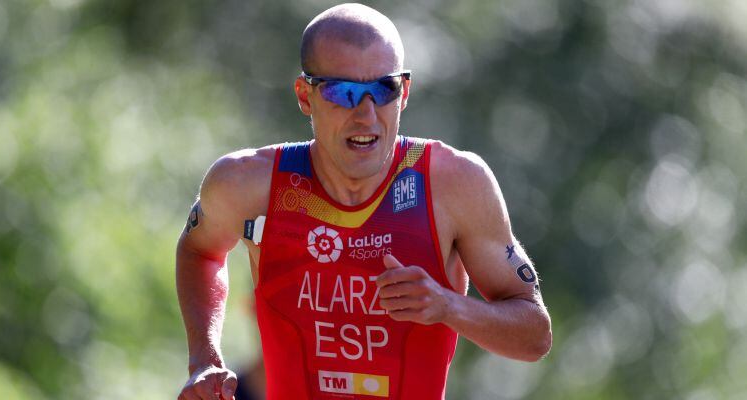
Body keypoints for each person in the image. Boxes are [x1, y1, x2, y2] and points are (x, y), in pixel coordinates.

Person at [176, 3, 551, 400]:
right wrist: (205, 359)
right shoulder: (248, 183)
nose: (366, 115)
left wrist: (449, 306)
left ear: (404, 92)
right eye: (343, 92)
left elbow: (535, 334)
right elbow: (200, 252)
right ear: (306, 96)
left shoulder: (454, 184)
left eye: (383, 89)